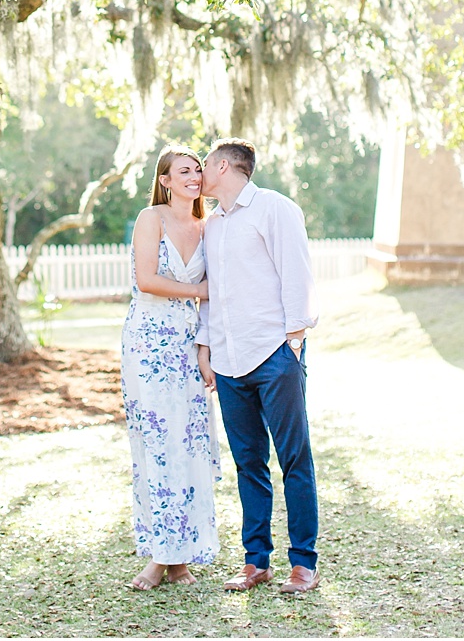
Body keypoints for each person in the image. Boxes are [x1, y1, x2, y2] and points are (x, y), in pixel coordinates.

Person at [195, 138, 321, 595]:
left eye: (204, 165)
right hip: (229, 360)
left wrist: (295, 340)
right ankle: (256, 562)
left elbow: (297, 272)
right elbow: (213, 291)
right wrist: (206, 347)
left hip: (274, 354)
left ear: (223, 166)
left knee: (294, 459)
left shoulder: (274, 208)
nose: (198, 174)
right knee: (249, 463)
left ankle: (303, 564)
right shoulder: (211, 225)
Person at [121, 146, 221, 590]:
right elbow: (147, 279)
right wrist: (200, 290)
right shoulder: (152, 219)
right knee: (158, 443)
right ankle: (160, 558)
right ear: (164, 180)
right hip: (149, 342)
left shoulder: (210, 225)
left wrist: (205, 348)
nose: (194, 176)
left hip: (189, 343)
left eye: (198, 170)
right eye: (184, 171)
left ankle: (182, 559)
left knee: (190, 445)